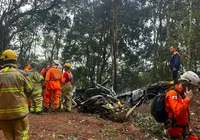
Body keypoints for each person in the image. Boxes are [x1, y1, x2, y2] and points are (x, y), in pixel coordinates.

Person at [0, 49, 33, 140]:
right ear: (15, 60)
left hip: (3, 115)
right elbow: (30, 90)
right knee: (21, 135)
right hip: (19, 114)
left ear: (3, 60)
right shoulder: (22, 74)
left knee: (9, 136)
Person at [165, 71, 200, 140]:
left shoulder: (183, 93)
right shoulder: (172, 94)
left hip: (185, 127)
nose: (192, 89)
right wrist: (187, 99)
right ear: (186, 84)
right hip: (175, 129)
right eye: (192, 86)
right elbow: (178, 113)